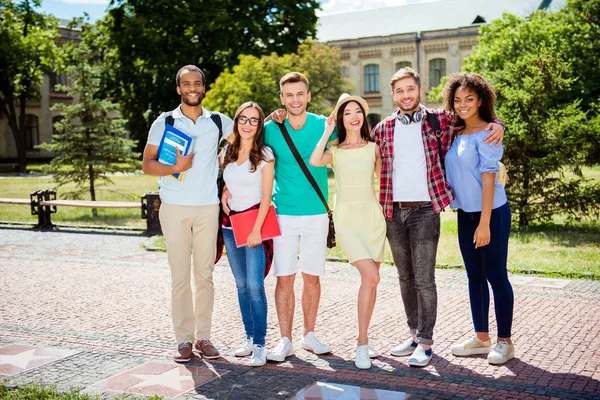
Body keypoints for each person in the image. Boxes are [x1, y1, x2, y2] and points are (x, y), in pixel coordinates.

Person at [371, 67, 505, 367]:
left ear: (420, 91)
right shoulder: (382, 129)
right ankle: (414, 333)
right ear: (393, 96)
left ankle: (427, 342)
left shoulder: (440, 120)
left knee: (424, 279)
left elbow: (476, 122)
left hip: (425, 211)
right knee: (405, 278)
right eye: (400, 91)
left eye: (411, 89)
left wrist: (499, 123)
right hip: (393, 211)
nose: (406, 95)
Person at [227, 72, 335, 362]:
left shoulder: (323, 125)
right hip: (282, 214)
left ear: (308, 96)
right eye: (289, 95)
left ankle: (309, 335)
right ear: (281, 98)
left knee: (312, 278)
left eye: (300, 94)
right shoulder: (270, 128)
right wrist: (226, 185)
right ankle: (285, 340)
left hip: (316, 213)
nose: (295, 99)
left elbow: (352, 143)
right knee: (284, 278)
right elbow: (241, 146)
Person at [142, 65, 233, 363]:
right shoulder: (165, 121)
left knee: (204, 275)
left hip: (208, 207)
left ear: (204, 88)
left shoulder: (218, 121)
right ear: (178, 89)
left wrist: (228, 180)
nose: (192, 88)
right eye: (186, 84)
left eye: (197, 83)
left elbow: (249, 135)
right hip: (175, 207)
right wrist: (175, 168)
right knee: (180, 276)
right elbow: (147, 165)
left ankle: (203, 337)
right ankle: (183, 339)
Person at [441, 73, 514, 365]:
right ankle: (481, 338)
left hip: (492, 213)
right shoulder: (455, 132)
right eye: (457, 100)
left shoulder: (490, 133)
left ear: (481, 99)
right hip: (465, 214)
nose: (463, 105)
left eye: (469, 99)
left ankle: (505, 342)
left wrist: (484, 223)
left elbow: (488, 180)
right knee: (474, 277)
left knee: (496, 275)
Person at [309, 94, 386, 369]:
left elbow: (384, 178)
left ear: (363, 117)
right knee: (372, 276)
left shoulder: (374, 148)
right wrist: (327, 130)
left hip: (373, 218)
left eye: (358, 111)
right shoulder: (335, 151)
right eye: (347, 112)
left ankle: (364, 337)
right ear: (341, 119)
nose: (353, 116)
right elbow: (314, 159)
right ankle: (361, 344)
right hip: (348, 219)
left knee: (371, 282)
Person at [220, 102, 275, 367]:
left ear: (260, 125)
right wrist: (223, 192)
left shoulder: (264, 154)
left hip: (254, 227)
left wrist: (256, 231)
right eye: (243, 118)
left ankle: (261, 344)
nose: (247, 124)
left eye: (254, 120)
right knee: (241, 285)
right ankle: (250, 338)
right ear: (236, 121)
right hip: (230, 227)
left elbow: (267, 197)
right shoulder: (227, 152)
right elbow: (222, 178)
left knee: (255, 286)